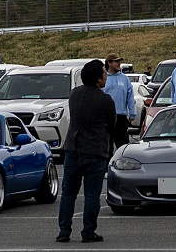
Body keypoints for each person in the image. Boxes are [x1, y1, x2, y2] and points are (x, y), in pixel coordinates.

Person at [57, 59, 117, 243]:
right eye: (104, 74)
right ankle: (88, 232)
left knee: (68, 193)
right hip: (95, 151)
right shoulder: (105, 99)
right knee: (91, 194)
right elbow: (112, 124)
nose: (106, 76)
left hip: (73, 148)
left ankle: (64, 231)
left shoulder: (74, 94)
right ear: (98, 79)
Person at [101, 55, 137, 145]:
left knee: (123, 146)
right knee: (106, 147)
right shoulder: (103, 78)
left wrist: (132, 113)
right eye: (116, 61)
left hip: (120, 117)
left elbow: (130, 97)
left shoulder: (125, 79)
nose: (119, 64)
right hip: (106, 118)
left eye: (119, 61)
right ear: (109, 63)